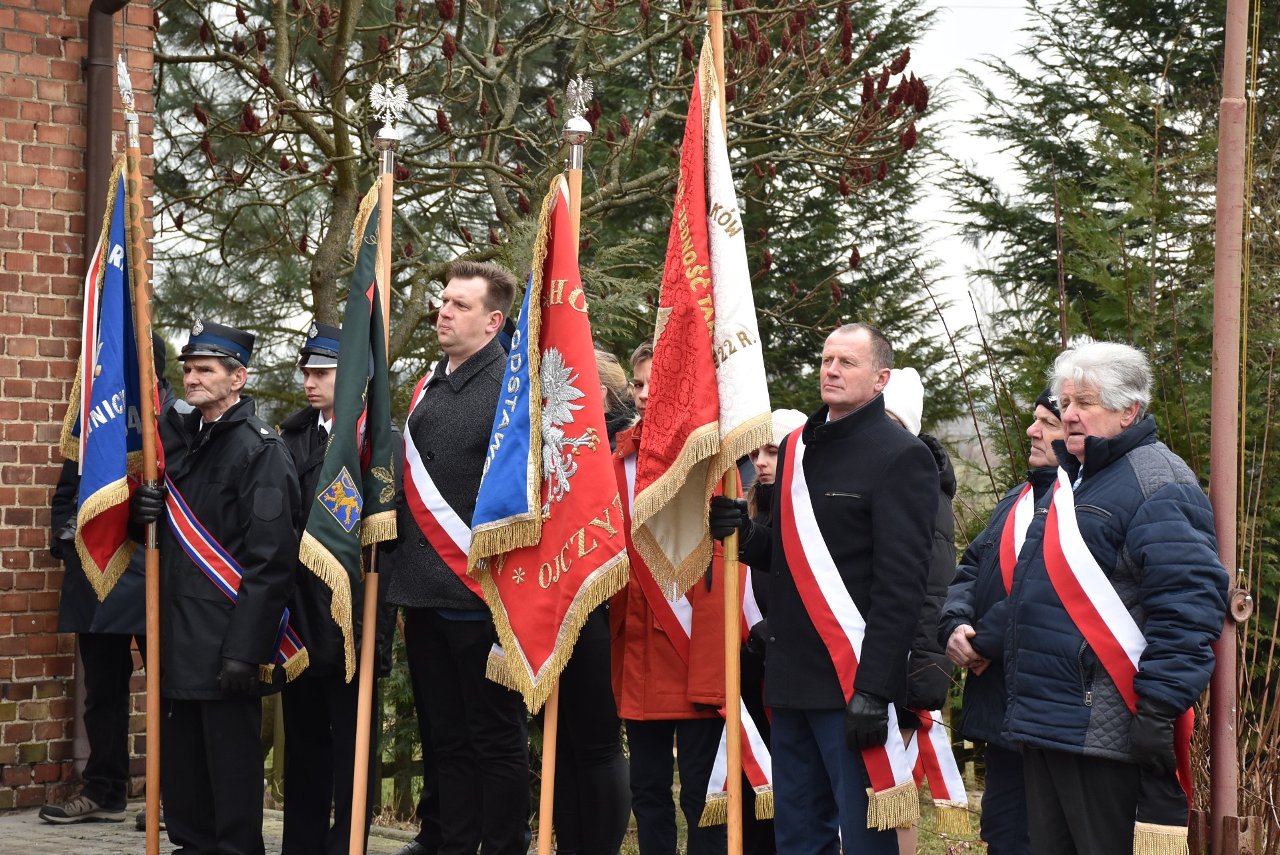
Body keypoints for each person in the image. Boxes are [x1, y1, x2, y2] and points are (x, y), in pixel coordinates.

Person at [710, 322, 938, 855]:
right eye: (827, 359)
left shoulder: (901, 455)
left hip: (851, 680)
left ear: (880, 379)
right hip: (789, 680)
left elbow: (901, 585)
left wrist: (875, 689)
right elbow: (789, 556)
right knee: (799, 837)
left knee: (864, 838)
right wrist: (744, 536)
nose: (831, 370)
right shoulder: (795, 449)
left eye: (847, 363)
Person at [1001, 341, 1228, 855]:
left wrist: (1158, 708)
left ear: (1130, 411)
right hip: (1050, 723)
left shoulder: (1159, 482)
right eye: (1065, 403)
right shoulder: (1076, 483)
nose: (1070, 415)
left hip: (1107, 729)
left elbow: (1188, 606)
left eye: (1085, 402)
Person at [130, 319, 302, 855]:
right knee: (182, 765)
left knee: (229, 769)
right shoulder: (180, 445)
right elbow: (170, 542)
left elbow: (271, 562)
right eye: (187, 369)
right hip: (176, 634)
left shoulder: (261, 451)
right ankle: (190, 844)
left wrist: (245, 652)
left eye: (206, 370)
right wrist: (143, 516)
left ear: (238, 378)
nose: (193, 378)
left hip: (227, 641)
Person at [385, 261, 530, 855]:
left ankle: (500, 845)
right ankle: (447, 839)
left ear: (494, 321)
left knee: (493, 737)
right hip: (422, 590)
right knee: (443, 734)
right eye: (443, 300)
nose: (443, 311)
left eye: (460, 305)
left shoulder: (512, 388)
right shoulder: (429, 383)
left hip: (482, 597)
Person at [39, 335, 172, 827]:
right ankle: (104, 788)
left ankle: (170, 797)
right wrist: (62, 533)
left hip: (150, 571)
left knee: (169, 689)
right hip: (96, 573)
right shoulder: (94, 424)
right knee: (103, 692)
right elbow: (67, 490)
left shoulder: (173, 423)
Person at [277, 322, 395, 855]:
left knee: (353, 744)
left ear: (353, 379)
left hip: (356, 618)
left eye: (323, 372)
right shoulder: (292, 435)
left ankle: (347, 842)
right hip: (301, 614)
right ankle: (301, 843)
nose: (310, 381)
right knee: (303, 742)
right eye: (307, 370)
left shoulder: (380, 441)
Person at [611, 341, 727, 855]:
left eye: (653, 385)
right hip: (636, 645)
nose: (642, 396)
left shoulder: (710, 461)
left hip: (691, 645)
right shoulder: (616, 459)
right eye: (637, 385)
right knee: (648, 790)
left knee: (701, 793)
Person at [937, 387, 1063, 854]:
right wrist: (954, 627)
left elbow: (1048, 587)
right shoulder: (1018, 497)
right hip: (1003, 707)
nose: (1033, 431)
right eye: (1035, 420)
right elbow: (971, 568)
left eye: (1047, 423)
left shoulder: (1081, 500)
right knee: (1004, 833)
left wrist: (984, 642)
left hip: (1051, 709)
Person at [541, 349, 635, 855]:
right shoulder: (553, 442)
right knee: (564, 745)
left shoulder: (626, 446)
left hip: (603, 607)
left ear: (595, 393)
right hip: (555, 603)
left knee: (596, 744)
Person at [881, 366, 957, 855]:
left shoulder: (923, 489)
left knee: (893, 789)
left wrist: (925, 672)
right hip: (861, 656)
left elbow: (934, 589)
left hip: (902, 664)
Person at [738, 407, 806, 855]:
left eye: (773, 452)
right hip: (749, 668)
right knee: (751, 786)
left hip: (792, 669)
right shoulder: (745, 515)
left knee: (790, 783)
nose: (761, 463)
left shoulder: (807, 516)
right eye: (756, 452)